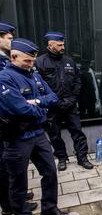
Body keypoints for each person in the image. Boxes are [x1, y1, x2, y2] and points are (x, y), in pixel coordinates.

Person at [0, 38, 68, 215]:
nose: (31, 65)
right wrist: (40, 109)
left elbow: (53, 97)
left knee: (50, 171)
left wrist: (36, 101)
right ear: (14, 57)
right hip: (17, 137)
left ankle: (49, 208)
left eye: (33, 61)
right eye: (27, 61)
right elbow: (17, 108)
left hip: (38, 134)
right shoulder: (5, 78)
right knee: (18, 181)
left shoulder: (34, 75)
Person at [35, 32, 94, 171]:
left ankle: (82, 158)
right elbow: (38, 85)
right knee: (54, 134)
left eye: (63, 44)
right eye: (60, 45)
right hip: (52, 106)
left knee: (77, 132)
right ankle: (62, 158)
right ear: (51, 45)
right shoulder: (40, 62)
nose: (63, 47)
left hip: (70, 104)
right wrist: (51, 101)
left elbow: (78, 80)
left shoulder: (69, 61)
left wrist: (73, 98)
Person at [0, 22, 37, 215]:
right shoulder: (4, 67)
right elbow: (18, 103)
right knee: (6, 166)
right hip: (6, 121)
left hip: (17, 122)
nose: (11, 41)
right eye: (8, 37)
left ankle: (15, 199)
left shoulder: (7, 60)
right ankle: (9, 204)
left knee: (13, 168)